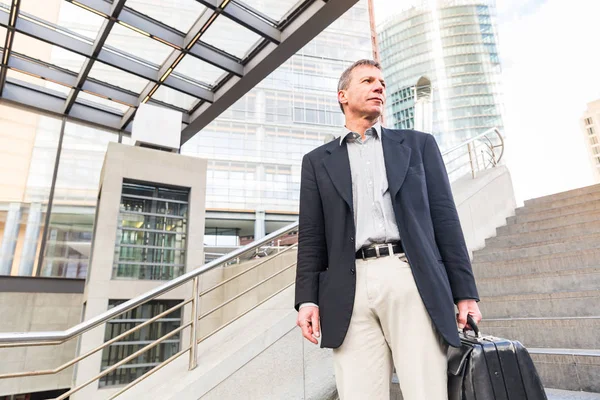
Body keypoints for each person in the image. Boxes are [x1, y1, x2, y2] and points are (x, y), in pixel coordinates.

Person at [294, 59, 483, 400]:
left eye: (382, 82)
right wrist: (307, 299)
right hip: (347, 286)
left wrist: (465, 292)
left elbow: (445, 219)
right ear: (343, 95)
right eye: (368, 81)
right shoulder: (317, 161)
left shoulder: (418, 145)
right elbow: (311, 236)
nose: (379, 87)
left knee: (426, 391)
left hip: (410, 277)